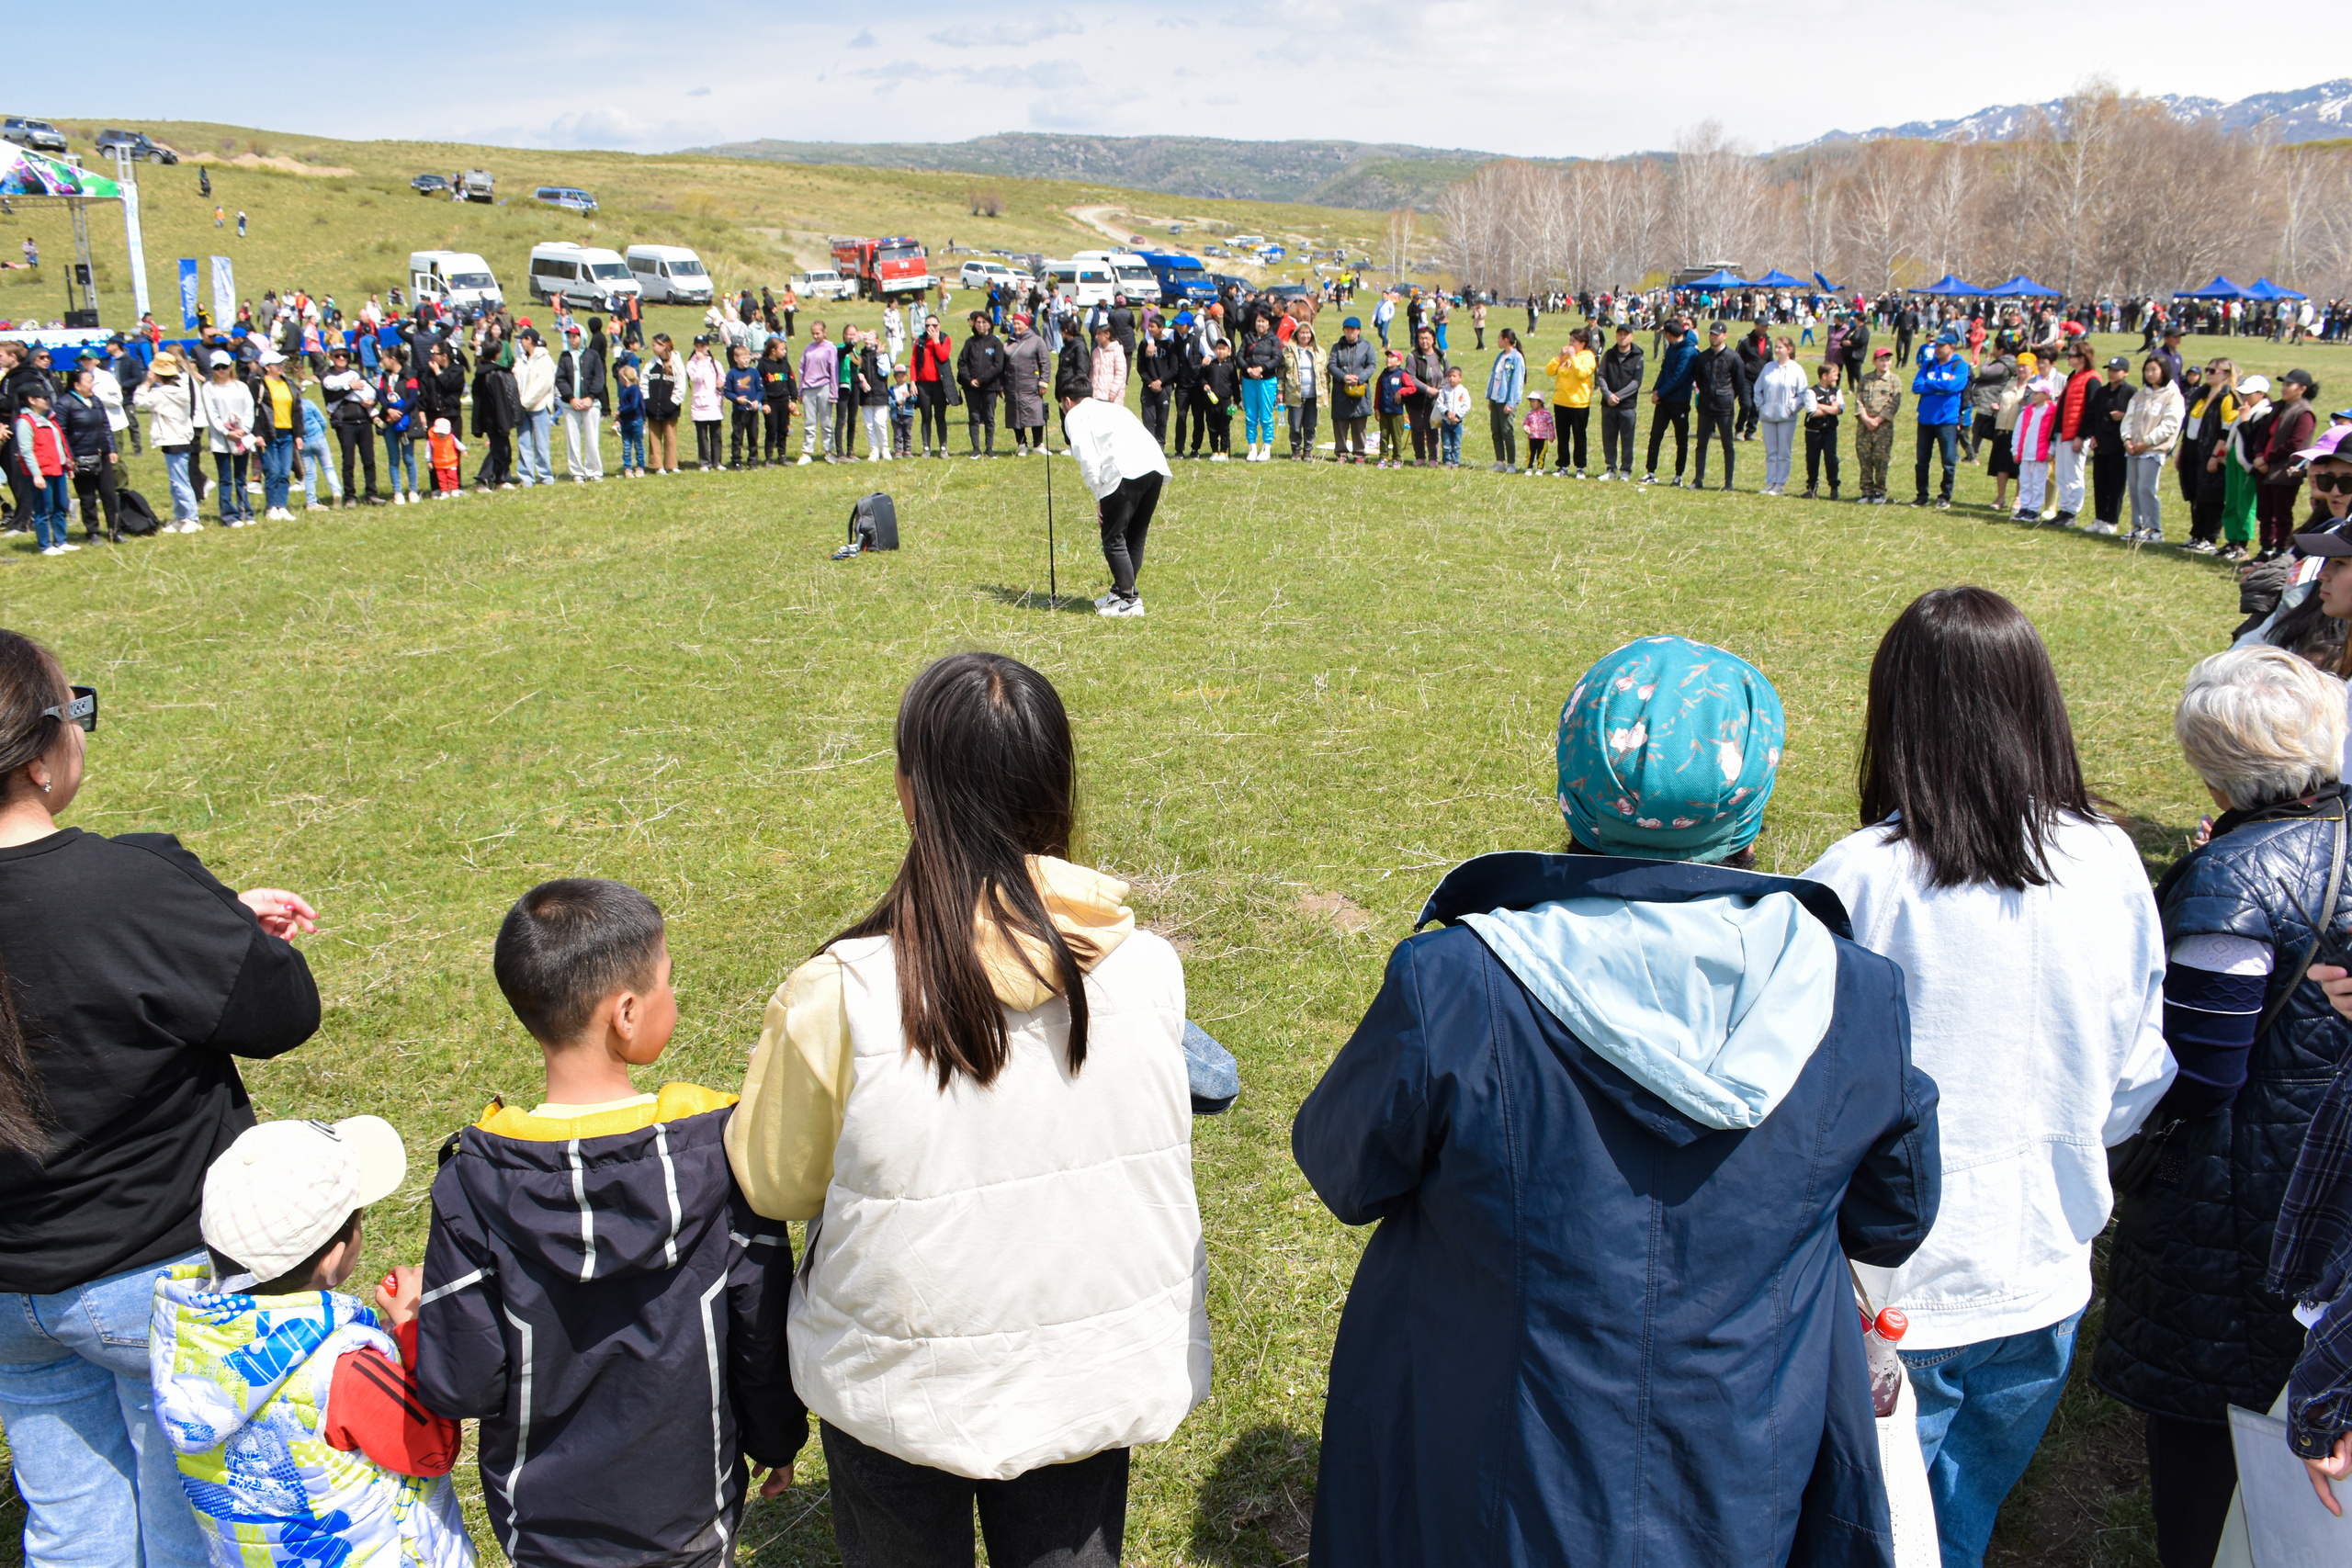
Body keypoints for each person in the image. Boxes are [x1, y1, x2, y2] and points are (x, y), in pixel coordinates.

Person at [1293, 635, 1939, 1567]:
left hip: (1491, 1468)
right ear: (1752, 795)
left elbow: (1345, 1168)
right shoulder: (1853, 995)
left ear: (1573, 781)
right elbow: (1892, 1216)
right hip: (1741, 1469)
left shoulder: (1459, 981)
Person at [724, 651, 1208, 1565]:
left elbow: (775, 1182)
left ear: (910, 796)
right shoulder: (1147, 970)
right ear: (1057, 785)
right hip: (1089, 1370)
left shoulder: (841, 992)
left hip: (898, 1384)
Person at [1804, 589, 2174, 1568]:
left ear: (1895, 715)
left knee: (1876, 1540)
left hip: (1891, 1294)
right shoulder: (2110, 861)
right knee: (1954, 1533)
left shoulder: (1858, 878)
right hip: (2047, 1276)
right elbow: (2142, 1067)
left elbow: (1799, 1090)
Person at [0, 628, 322, 1568]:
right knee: (193, 1512)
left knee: (72, 1528)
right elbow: (280, 1012)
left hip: (11, 1289)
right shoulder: (129, 882)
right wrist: (204, 920)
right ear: (44, 752)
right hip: (157, 1273)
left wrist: (208, 920)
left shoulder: (134, 891)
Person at [415, 878, 805, 1568]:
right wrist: (777, 1442)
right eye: (668, 981)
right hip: (689, 1518)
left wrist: (419, 1320)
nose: (674, 997)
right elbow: (760, 1333)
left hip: (541, 1526)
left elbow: (464, 1384)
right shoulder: (721, 1157)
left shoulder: (471, 1183)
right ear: (625, 1013)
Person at [2094, 645, 2352, 1568]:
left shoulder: (2234, 879)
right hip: (2329, 1187)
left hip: (2237, 1197)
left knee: (2205, 1438)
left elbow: (2201, 1071)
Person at [149, 1116, 472, 1568]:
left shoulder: (186, 1333)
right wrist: (414, 1329)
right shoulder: (344, 1365)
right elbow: (432, 1449)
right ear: (335, 1257)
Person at [135, 350, 205, 532]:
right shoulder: (180, 388)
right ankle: (181, 516)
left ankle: (192, 518)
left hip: (174, 440)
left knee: (180, 481)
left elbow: (139, 400)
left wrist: (147, 383)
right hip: (181, 438)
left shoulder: (162, 394)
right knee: (176, 481)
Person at [2121, 357, 2186, 544]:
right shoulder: (2140, 395)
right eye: (2146, 370)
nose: (2149, 374)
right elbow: (2129, 419)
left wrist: (2147, 441)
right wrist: (2127, 439)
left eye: (2153, 370)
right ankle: (2137, 526)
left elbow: (2170, 424)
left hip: (2153, 449)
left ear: (2163, 372)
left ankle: (2154, 528)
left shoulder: (2172, 395)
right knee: (2133, 488)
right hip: (2133, 449)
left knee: (2146, 488)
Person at [55, 364, 121, 544]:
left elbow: (105, 426)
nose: (92, 383)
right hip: (81, 457)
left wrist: (111, 448)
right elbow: (61, 432)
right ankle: (92, 532)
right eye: (89, 380)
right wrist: (70, 458)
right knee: (87, 496)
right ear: (77, 385)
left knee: (109, 493)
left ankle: (114, 530)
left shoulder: (96, 401)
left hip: (102, 454)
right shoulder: (65, 404)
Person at [9, 381, 73, 555]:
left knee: (60, 505)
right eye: (43, 397)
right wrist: (36, 474)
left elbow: (60, 442)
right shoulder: (25, 422)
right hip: (41, 471)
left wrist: (67, 463)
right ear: (31, 400)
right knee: (44, 508)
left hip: (57, 468)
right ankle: (45, 544)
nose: (47, 400)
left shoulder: (48, 418)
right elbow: (26, 451)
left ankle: (61, 540)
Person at [1910, 333, 1972, 511]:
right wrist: (1939, 384)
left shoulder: (1959, 366)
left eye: (1941, 346)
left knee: (1948, 461)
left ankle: (1945, 496)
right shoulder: (1929, 364)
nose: (1936, 349)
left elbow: (1953, 387)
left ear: (1952, 347)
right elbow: (1916, 386)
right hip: (1925, 419)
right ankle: (1922, 495)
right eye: (1936, 345)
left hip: (1947, 420)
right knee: (1922, 460)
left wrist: (1930, 384)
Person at [319, 346, 381, 509]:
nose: (342, 358)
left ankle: (372, 494)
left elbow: (373, 390)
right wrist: (349, 387)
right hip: (345, 423)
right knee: (348, 461)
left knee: (369, 460)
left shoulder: (356, 373)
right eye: (338, 355)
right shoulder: (327, 376)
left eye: (345, 355)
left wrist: (372, 402)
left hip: (364, 421)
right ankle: (350, 496)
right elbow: (330, 397)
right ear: (331, 357)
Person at [1691, 321, 1749, 491]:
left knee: (1728, 445)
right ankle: (1698, 479)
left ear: (1725, 336)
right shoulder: (1702, 357)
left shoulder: (1733, 357)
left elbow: (1739, 384)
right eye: (1711, 334)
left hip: (1724, 406)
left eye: (1717, 334)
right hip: (1706, 406)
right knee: (1701, 443)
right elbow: (1699, 380)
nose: (1713, 337)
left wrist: (1728, 396)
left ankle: (1728, 482)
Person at [2080, 355, 2135, 536]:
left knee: (2115, 484)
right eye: (2110, 370)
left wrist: (2124, 415)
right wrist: (2092, 435)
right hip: (2101, 443)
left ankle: (2111, 520)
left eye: (2116, 370)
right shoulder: (2101, 393)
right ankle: (2100, 518)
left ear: (2125, 373)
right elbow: (2092, 414)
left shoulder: (2131, 393)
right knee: (2100, 482)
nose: (2112, 374)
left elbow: (2136, 417)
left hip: (2118, 446)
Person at [1751, 336, 1807, 497]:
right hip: (1768, 416)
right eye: (1776, 347)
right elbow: (1758, 389)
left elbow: (1802, 394)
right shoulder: (1769, 367)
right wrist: (1762, 406)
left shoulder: (1796, 369)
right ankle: (1770, 482)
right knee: (1771, 451)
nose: (1777, 350)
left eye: (1781, 347)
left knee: (1784, 452)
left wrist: (1791, 408)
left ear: (1789, 349)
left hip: (1786, 417)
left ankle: (1779, 484)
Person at [1644, 320, 1697, 485]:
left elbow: (1679, 377)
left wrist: (1661, 392)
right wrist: (1656, 389)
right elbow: (1664, 370)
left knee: (1681, 438)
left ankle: (1678, 475)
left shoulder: (1689, 352)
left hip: (1679, 400)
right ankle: (1650, 472)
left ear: (1668, 334)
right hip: (1664, 400)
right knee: (1655, 435)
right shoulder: (1672, 348)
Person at [555, 322, 605, 482]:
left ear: (582, 337)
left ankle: (594, 470)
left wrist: (590, 396)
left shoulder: (592, 355)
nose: (572, 340)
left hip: (591, 405)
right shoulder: (564, 356)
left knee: (592, 438)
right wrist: (571, 397)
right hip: (571, 405)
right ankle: (577, 471)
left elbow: (599, 376)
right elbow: (560, 378)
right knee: (573, 439)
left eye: (574, 337)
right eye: (569, 337)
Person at [1544, 330, 1595, 478]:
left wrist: (1573, 357)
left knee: (1579, 435)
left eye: (1574, 341)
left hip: (1579, 403)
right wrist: (1560, 356)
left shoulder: (1588, 357)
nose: (1570, 344)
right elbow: (1549, 370)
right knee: (1563, 436)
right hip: (1561, 401)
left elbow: (1581, 373)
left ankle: (1580, 467)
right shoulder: (1564, 357)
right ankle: (1562, 465)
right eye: (1570, 340)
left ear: (1582, 343)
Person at [957, 314, 1008, 458]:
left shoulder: (995, 343)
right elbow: (962, 363)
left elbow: (998, 366)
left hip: (990, 386)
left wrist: (981, 380)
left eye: (984, 322)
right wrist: (969, 380)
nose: (980, 325)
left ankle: (989, 448)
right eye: (978, 322)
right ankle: (976, 448)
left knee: (989, 417)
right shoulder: (970, 342)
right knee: (974, 416)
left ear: (990, 324)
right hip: (971, 387)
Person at [1327, 317, 1375, 464]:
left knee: (1359, 423)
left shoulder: (1367, 346)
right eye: (1347, 330)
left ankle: (1359, 453)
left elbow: (1372, 365)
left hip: (1360, 392)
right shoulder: (1337, 347)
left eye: (1353, 330)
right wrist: (1343, 377)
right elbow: (1331, 365)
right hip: (1341, 391)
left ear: (1359, 331)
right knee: (1340, 423)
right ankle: (1341, 453)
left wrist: (1359, 378)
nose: (1350, 333)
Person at [1597, 323, 1642, 480]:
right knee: (1609, 437)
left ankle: (1626, 470)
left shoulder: (1637, 356)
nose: (1622, 337)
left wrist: (1619, 396)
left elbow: (1636, 382)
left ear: (1631, 336)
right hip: (1608, 404)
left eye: (1626, 334)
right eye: (1620, 334)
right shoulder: (1609, 354)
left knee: (1627, 438)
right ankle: (1610, 468)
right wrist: (1608, 395)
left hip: (1627, 406)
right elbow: (1600, 375)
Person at [1239, 310, 1283, 462]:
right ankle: (1252, 447)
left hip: (1267, 381)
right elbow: (1239, 356)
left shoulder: (1274, 340)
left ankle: (1266, 447)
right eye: (1258, 321)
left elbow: (1277, 359)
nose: (1260, 324)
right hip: (1249, 380)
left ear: (1268, 323)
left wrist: (1261, 368)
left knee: (1266, 415)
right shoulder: (1247, 338)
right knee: (1250, 415)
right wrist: (1249, 369)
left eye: (1263, 321)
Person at [1005, 314, 1049, 455]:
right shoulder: (1008, 342)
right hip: (1012, 385)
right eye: (1014, 323)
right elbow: (1001, 364)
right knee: (1015, 415)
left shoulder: (1037, 340)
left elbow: (1045, 362)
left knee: (1035, 413)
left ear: (1026, 325)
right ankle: (1021, 444)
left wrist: (1044, 382)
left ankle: (1038, 444)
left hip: (1031, 384)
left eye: (1019, 323)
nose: (1016, 326)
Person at [1404, 326, 1447, 468]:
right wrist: (1428, 389)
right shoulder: (1413, 356)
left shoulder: (1441, 355)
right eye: (1421, 338)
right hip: (1416, 399)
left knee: (1433, 427)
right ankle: (1420, 457)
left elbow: (1448, 374)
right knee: (1417, 427)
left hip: (1436, 399)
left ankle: (1434, 458)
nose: (1424, 341)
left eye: (1427, 338)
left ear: (1433, 339)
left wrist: (1440, 390)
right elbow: (1410, 377)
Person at [1802, 360, 1844, 500]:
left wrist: (1821, 406)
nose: (1837, 378)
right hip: (1813, 432)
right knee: (1812, 460)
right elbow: (1812, 412)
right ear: (1824, 376)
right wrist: (1831, 408)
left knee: (1831, 459)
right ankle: (1812, 489)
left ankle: (1834, 488)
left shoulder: (1836, 391)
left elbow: (1840, 409)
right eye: (1834, 375)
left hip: (1830, 431)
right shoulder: (1811, 392)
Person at [1283, 321, 1322, 461]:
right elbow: (1282, 373)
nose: (1305, 335)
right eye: (1302, 333)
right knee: (1295, 425)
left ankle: (1308, 451)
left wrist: (1324, 393)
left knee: (1311, 425)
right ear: (1296, 335)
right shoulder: (1288, 351)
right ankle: (1295, 451)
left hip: (1313, 395)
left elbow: (1324, 375)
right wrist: (1280, 392)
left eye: (1307, 333)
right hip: (1295, 394)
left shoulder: (1319, 351)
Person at [684, 336, 724, 470]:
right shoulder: (691, 364)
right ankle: (704, 462)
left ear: (708, 347)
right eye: (697, 346)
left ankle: (717, 461)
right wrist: (700, 362)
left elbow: (722, 377)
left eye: (702, 346)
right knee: (702, 435)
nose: (700, 349)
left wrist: (721, 383)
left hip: (714, 402)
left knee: (716, 434)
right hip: (700, 404)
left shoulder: (715, 363)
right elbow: (697, 378)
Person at [1374, 348, 1408, 468]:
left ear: (1398, 362)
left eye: (1392, 357)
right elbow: (1378, 392)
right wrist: (1376, 408)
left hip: (1396, 412)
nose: (1389, 359)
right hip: (1384, 410)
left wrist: (1401, 391)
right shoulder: (1383, 375)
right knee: (1384, 435)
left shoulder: (1402, 374)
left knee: (1396, 436)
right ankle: (1383, 457)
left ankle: (1397, 458)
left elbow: (1412, 387)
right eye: (1388, 357)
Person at [1437, 365, 1470, 468]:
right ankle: (1446, 460)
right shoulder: (1444, 391)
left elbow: (1467, 405)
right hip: (1446, 422)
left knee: (1456, 444)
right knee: (1446, 443)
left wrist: (1458, 416)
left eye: (1454, 376)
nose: (1451, 378)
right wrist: (1447, 412)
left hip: (1457, 423)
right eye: (1449, 376)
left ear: (1460, 378)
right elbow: (1439, 404)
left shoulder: (1463, 391)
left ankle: (1455, 461)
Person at [1521, 392, 1553, 476]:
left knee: (1541, 454)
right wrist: (1526, 428)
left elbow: (1550, 425)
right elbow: (1525, 423)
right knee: (1530, 453)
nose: (1532, 404)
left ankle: (1540, 468)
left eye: (1534, 402)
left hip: (1543, 438)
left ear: (1540, 402)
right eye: (1531, 402)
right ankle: (1529, 468)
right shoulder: (1530, 414)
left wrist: (1552, 435)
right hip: (1532, 437)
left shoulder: (1547, 414)